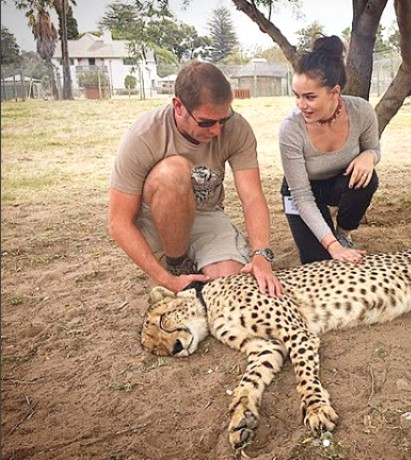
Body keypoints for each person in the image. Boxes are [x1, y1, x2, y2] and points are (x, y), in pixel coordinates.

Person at [108, 61, 282, 297]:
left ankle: (196, 263)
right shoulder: (144, 134)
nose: (217, 131)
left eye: (224, 119)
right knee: (174, 172)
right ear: (178, 106)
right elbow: (119, 223)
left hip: (205, 214)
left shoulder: (238, 128)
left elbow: (252, 196)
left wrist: (262, 254)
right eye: (206, 122)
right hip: (157, 220)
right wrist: (166, 280)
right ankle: (176, 263)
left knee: (229, 287)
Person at [279, 35, 381, 264]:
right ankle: (331, 239)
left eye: (309, 97)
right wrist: (331, 247)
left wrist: (369, 156)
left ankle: (344, 233)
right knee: (321, 263)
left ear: (335, 93)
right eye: (297, 96)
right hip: (302, 193)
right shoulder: (290, 128)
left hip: (338, 182)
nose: (300, 104)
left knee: (368, 178)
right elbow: (302, 196)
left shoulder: (362, 111)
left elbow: (374, 148)